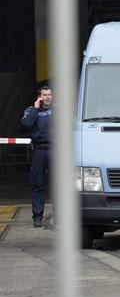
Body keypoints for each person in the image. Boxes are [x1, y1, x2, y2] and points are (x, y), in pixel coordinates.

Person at [20, 86, 52, 228]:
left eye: (50, 94)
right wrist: (35, 108)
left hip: (55, 150)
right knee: (37, 185)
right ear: (39, 97)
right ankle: (37, 217)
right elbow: (26, 124)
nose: (48, 97)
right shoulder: (31, 111)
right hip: (39, 151)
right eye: (44, 95)